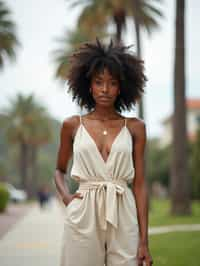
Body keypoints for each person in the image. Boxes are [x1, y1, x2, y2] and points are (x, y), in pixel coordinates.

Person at [54, 38, 153, 266]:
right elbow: (59, 170)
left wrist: (144, 241)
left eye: (112, 83)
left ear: (121, 87)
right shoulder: (72, 125)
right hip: (83, 212)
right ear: (89, 86)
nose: (105, 89)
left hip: (123, 210)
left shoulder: (136, 128)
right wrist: (67, 198)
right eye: (99, 82)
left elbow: (139, 184)